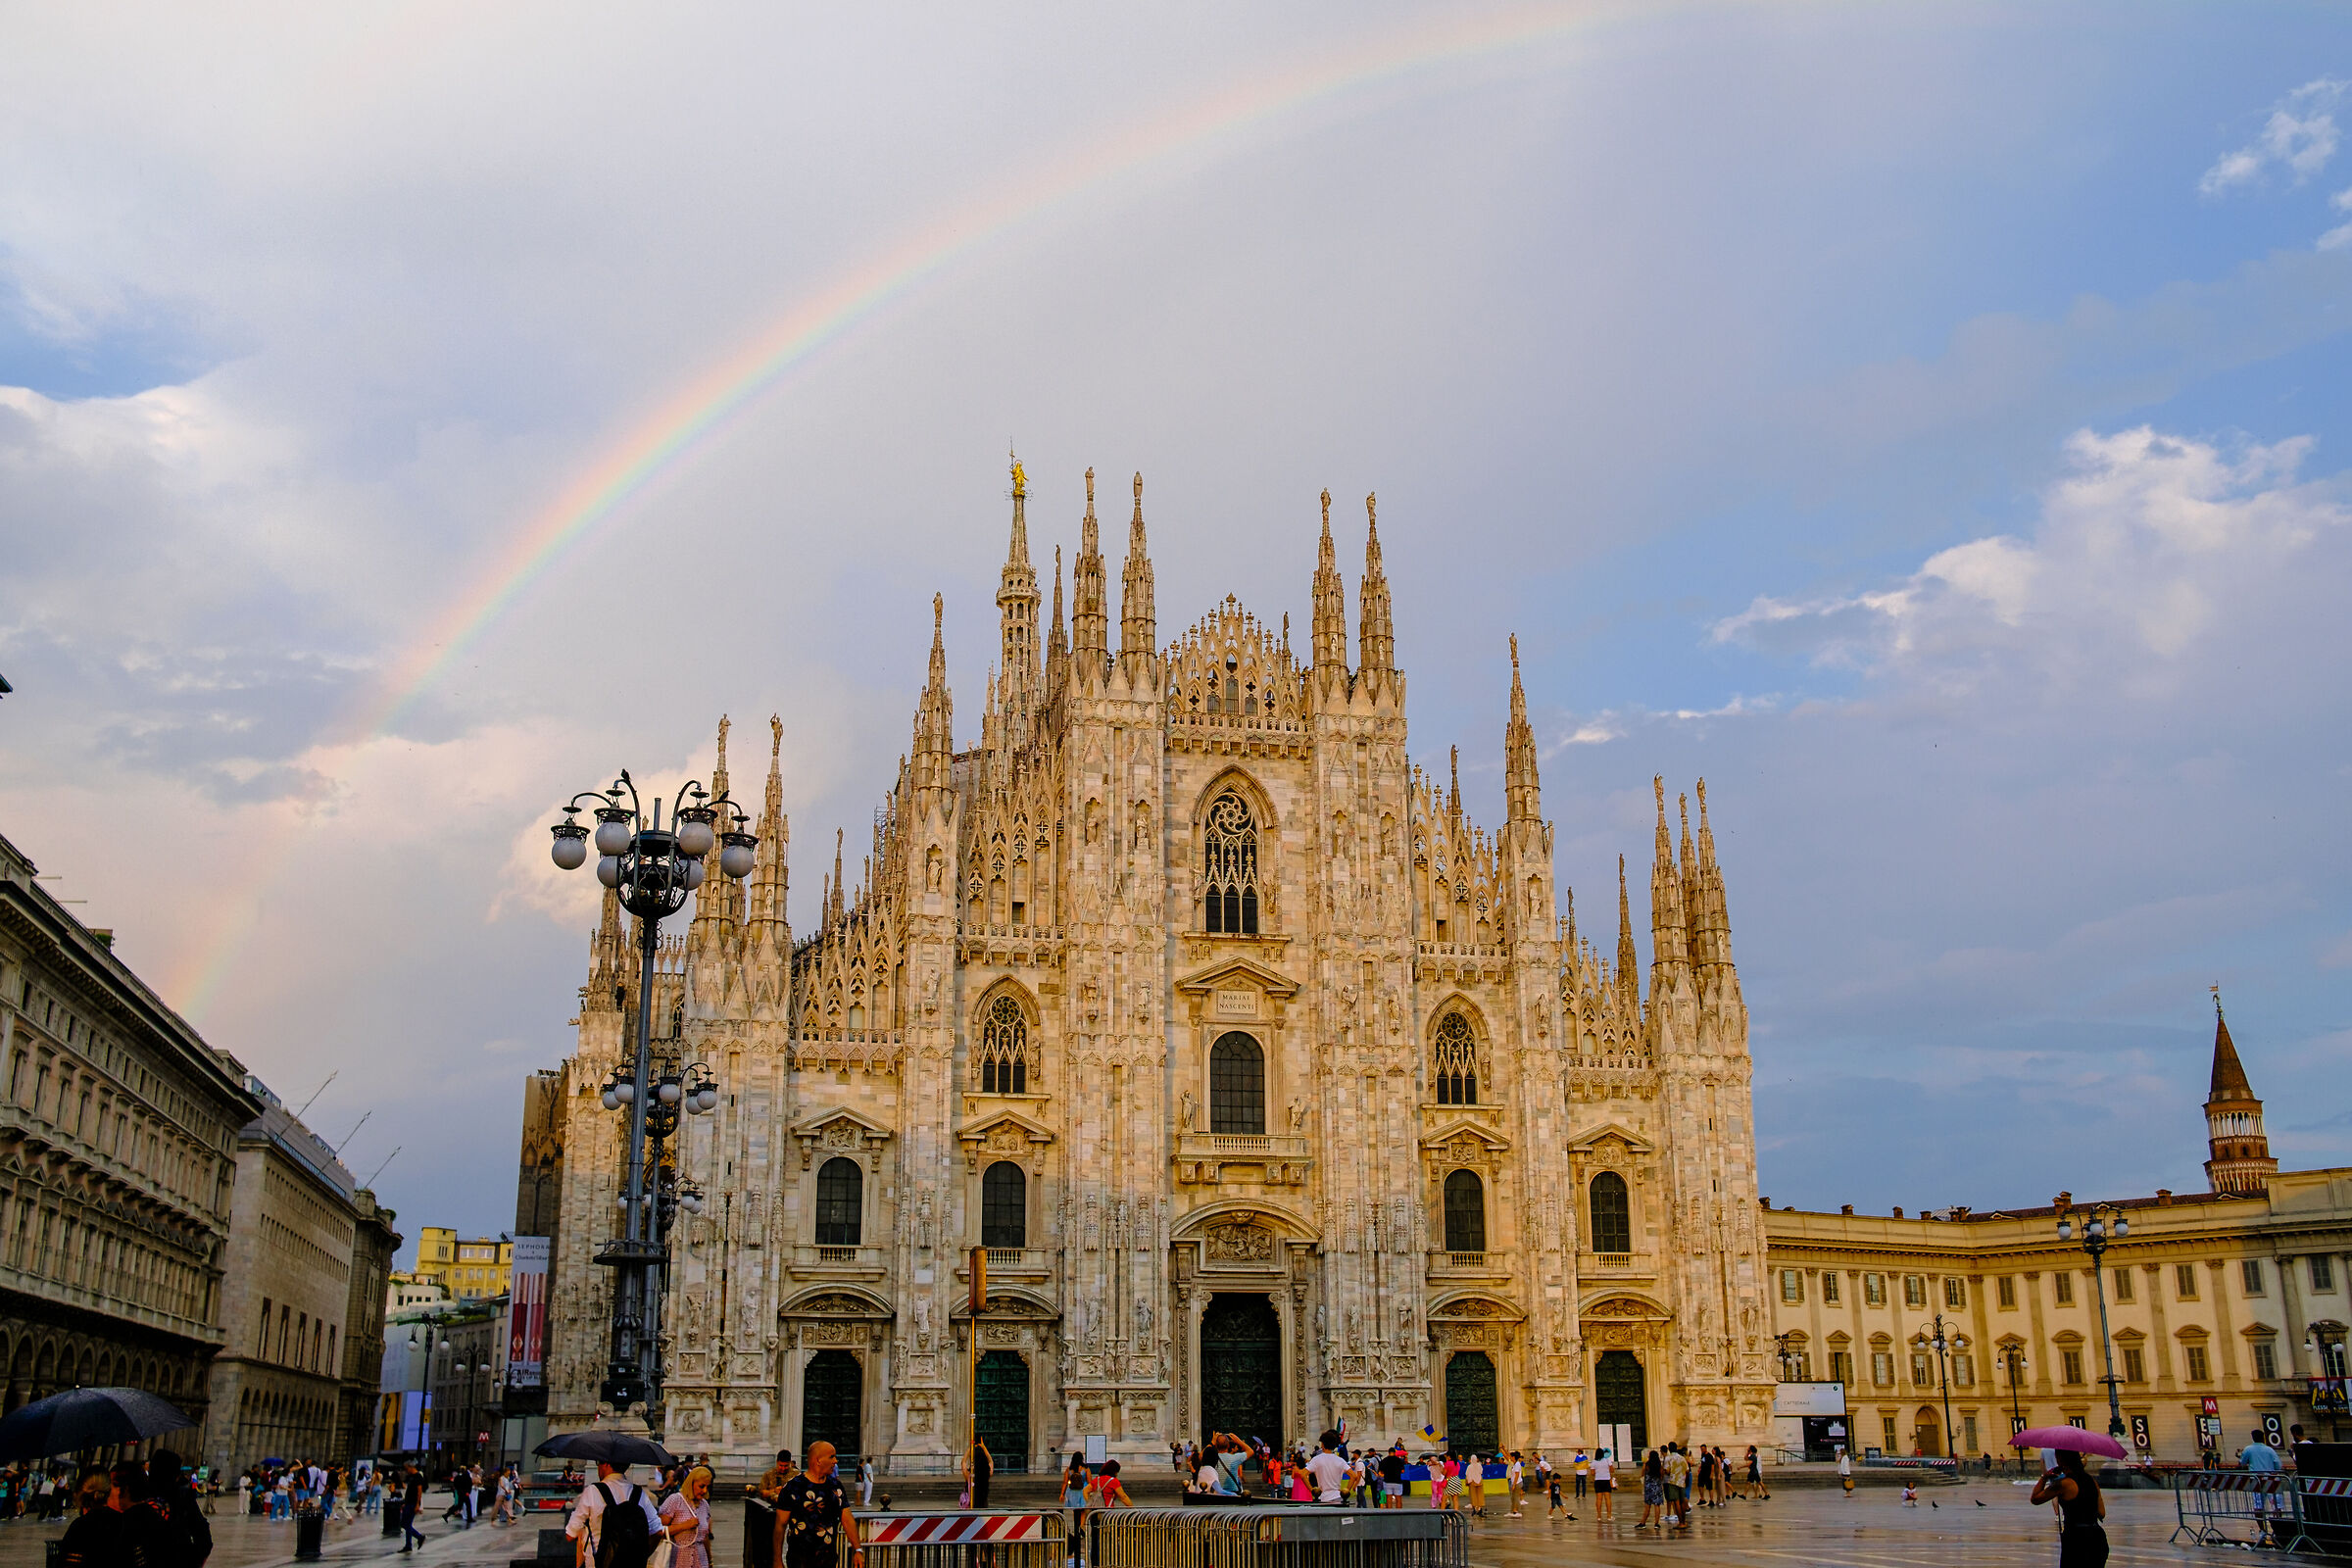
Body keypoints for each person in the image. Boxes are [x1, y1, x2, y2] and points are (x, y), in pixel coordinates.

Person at [774, 1441, 861, 1568]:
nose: (836, 1461)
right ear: (818, 1460)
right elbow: (780, 1526)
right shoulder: (792, 1487)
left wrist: (858, 1549)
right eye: (831, 1457)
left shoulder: (836, 1487)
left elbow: (847, 1519)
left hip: (827, 1559)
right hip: (799, 1560)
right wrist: (777, 1561)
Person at [564, 1459, 659, 1568]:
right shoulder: (638, 1493)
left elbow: (570, 1535)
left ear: (606, 1464)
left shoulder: (592, 1491)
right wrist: (641, 1556)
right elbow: (658, 1532)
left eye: (598, 1463)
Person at [2031, 1448, 2108, 1568]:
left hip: (2076, 1539)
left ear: (2060, 1459)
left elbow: (2035, 1499)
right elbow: (2102, 1513)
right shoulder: (2092, 1481)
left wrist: (2044, 1477)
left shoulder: (2064, 1484)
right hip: (2097, 1538)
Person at [658, 1465, 714, 1568]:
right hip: (678, 1560)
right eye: (701, 1486)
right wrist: (685, 1525)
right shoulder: (675, 1500)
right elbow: (658, 1531)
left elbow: (705, 1537)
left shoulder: (704, 1505)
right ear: (691, 1483)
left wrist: (710, 1561)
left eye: (708, 1487)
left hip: (701, 1561)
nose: (705, 1490)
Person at [1305, 1432, 1348, 1503]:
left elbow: (1303, 1474)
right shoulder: (1340, 1460)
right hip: (1337, 1496)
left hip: (1323, 1497)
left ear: (1322, 1444)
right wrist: (1346, 1492)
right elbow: (1353, 1475)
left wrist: (1312, 1490)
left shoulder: (1316, 1459)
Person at [401, 1466, 427, 1554]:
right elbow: (409, 1490)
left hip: (412, 1504)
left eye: (407, 1469)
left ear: (411, 1467)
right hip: (408, 1503)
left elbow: (419, 1491)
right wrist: (405, 1502)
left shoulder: (418, 1477)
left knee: (407, 1524)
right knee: (404, 1523)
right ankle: (418, 1538)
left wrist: (417, 1504)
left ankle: (410, 1544)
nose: (406, 1471)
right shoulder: (411, 1477)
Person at [1637, 1450, 1663, 1530]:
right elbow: (1662, 1475)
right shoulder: (1659, 1465)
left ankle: (1643, 1522)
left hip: (1648, 1487)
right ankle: (1657, 1523)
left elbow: (1642, 1474)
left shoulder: (1647, 1465)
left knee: (1647, 1506)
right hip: (1657, 1487)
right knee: (1657, 1505)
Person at [964, 1439, 993, 1509]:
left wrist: (970, 1448)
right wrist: (984, 1448)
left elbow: (963, 1462)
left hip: (971, 1507)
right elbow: (991, 1461)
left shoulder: (969, 1476)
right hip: (983, 1507)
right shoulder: (986, 1475)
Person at [1592, 1447, 1614, 1524]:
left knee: (1599, 1499)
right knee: (1608, 1499)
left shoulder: (1594, 1462)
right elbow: (1612, 1470)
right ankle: (1609, 1516)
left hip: (1598, 1480)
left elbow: (1592, 1473)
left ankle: (1599, 1516)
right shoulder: (1607, 1460)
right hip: (1606, 1480)